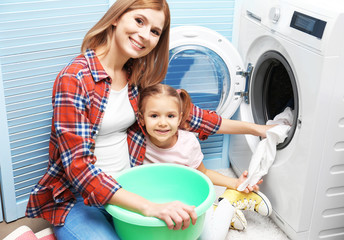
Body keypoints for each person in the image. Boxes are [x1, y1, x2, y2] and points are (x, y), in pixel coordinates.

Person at [25, 0, 272, 239]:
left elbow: (193, 117)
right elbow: (79, 170)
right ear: (115, 18)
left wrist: (259, 129)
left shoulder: (136, 76)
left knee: (190, 227)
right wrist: (149, 207)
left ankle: (223, 208)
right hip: (79, 198)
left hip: (132, 184)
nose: (145, 35)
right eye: (139, 21)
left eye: (155, 31)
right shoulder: (75, 79)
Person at [137, 84, 273, 238]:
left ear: (180, 118)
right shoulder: (138, 143)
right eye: (154, 116)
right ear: (141, 118)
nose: (162, 122)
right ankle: (219, 213)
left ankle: (229, 201)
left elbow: (204, 173)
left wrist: (235, 183)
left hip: (191, 199)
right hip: (159, 202)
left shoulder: (187, 144)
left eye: (170, 116)